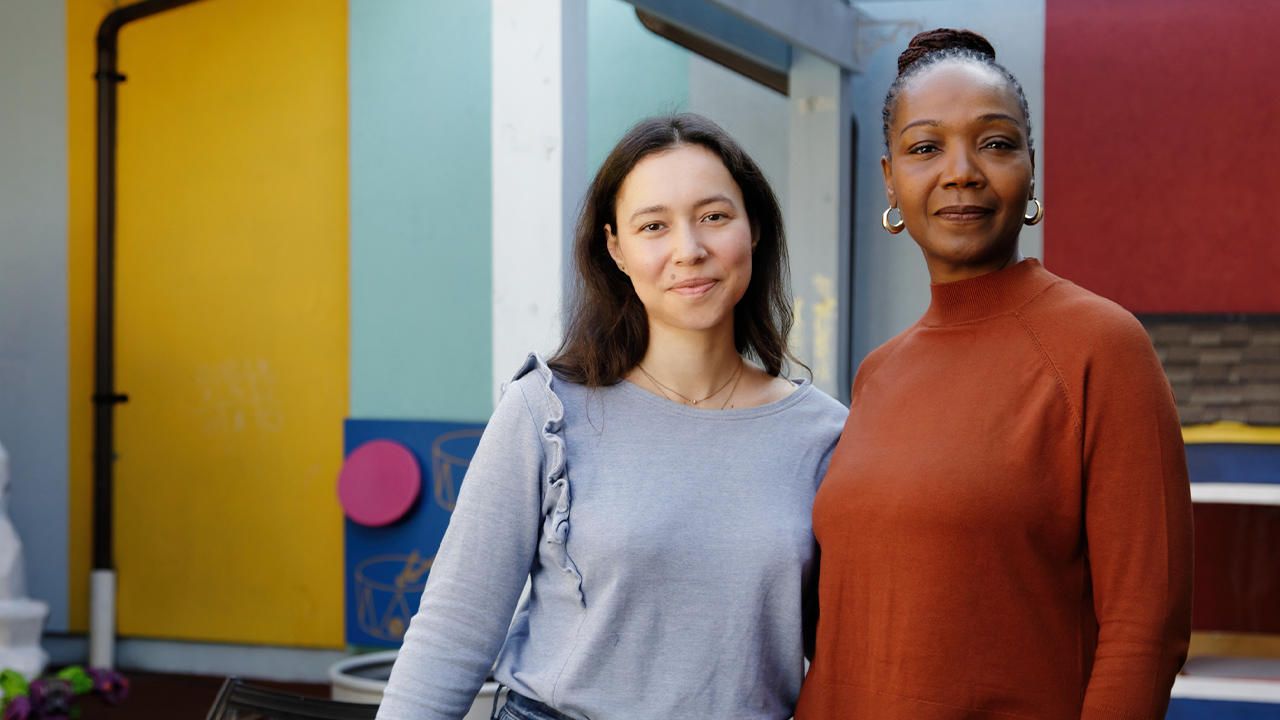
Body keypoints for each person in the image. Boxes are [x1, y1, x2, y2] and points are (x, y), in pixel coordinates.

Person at [378, 114, 848, 720]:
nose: (690, 250)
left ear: (753, 227)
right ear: (616, 249)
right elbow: (454, 628)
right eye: (653, 226)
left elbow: (846, 648)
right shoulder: (544, 411)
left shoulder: (826, 435)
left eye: (714, 216)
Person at [796, 29, 1193, 720]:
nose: (962, 172)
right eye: (925, 148)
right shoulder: (877, 373)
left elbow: (1146, 629)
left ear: (1031, 168)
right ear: (890, 177)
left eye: (996, 143)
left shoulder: (1101, 346)